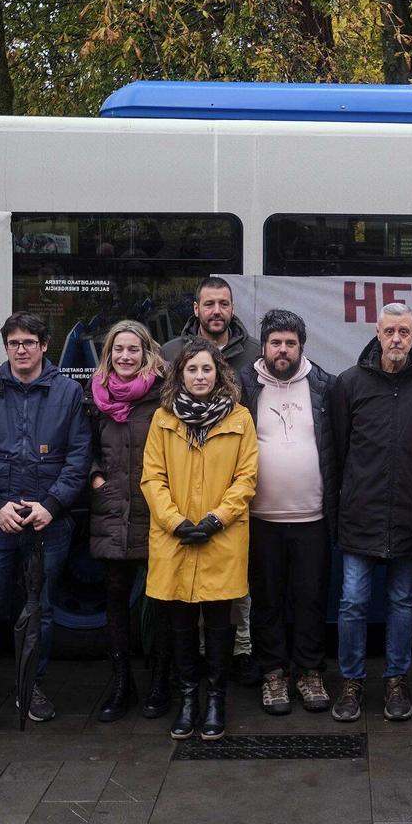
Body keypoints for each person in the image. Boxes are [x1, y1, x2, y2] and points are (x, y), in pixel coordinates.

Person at [0, 313, 94, 747]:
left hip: (48, 523)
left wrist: (51, 505)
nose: (21, 349)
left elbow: (78, 459)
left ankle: (31, 690)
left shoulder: (68, 394)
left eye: (29, 341)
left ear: (45, 345)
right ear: (5, 347)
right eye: (13, 342)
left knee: (41, 613)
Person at [329, 303, 412, 723]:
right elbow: (339, 452)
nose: (396, 338)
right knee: (352, 603)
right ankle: (351, 681)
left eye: (404, 331)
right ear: (377, 333)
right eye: (389, 331)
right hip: (359, 515)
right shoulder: (349, 384)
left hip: (408, 515)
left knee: (402, 601)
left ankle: (396, 680)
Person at [140, 341, 259, 740]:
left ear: (219, 373)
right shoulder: (162, 419)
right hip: (174, 538)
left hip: (220, 537)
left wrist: (215, 519)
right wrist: (175, 522)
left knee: (221, 625)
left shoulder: (240, 418)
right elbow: (152, 478)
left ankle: (215, 701)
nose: (200, 376)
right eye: (192, 370)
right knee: (181, 624)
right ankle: (189, 700)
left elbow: (246, 478)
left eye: (207, 369)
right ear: (181, 375)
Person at [238, 309, 337, 716]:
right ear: (263, 346)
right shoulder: (243, 384)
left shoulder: (324, 385)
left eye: (290, 343)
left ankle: (310, 672)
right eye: (276, 342)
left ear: (301, 346)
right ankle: (274, 673)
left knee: (312, 600)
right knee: (266, 601)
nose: (283, 350)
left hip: (313, 516)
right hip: (260, 519)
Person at [163, 275, 258, 687]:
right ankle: (196, 666)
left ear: (232, 308)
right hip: (182, 498)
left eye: (224, 303)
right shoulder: (168, 353)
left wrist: (225, 510)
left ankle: (239, 654)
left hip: (233, 492)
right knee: (187, 589)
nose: (216, 311)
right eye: (208, 304)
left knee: (236, 588)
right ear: (196, 309)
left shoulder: (254, 354)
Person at [85, 320, 170, 722]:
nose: (125, 356)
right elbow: (81, 447)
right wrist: (95, 478)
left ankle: (159, 682)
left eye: (133, 349)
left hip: (155, 511)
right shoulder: (94, 395)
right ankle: (122, 685)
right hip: (111, 509)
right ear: (108, 354)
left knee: (160, 603)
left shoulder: (164, 394)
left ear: (146, 352)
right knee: (116, 601)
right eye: (118, 349)